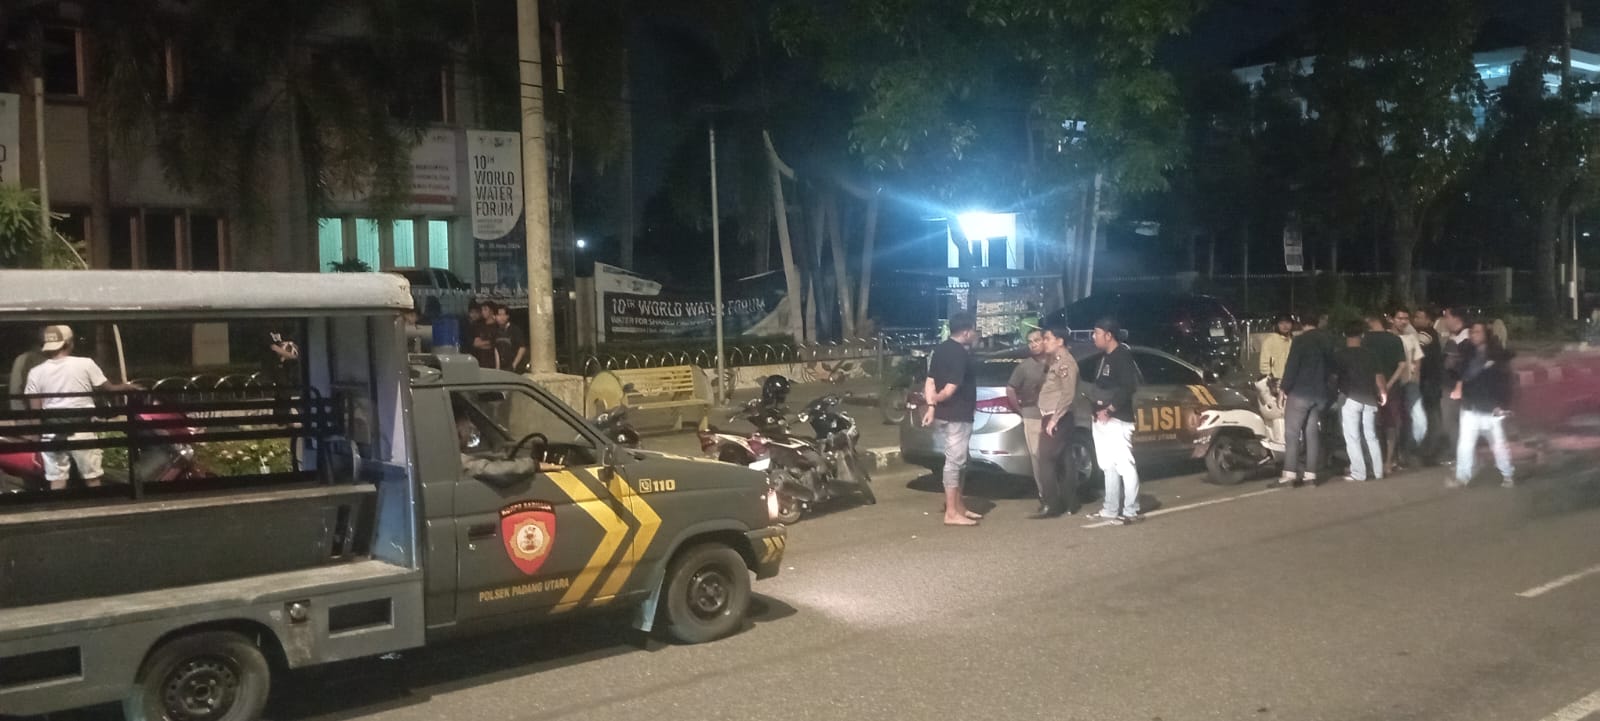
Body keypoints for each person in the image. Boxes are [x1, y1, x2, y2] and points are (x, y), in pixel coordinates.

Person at [23, 325, 141, 490]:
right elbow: (110, 389)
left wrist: (37, 439)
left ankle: (60, 505)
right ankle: (97, 505)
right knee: (92, 478)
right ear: (69, 343)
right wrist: (128, 387)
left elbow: (35, 409)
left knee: (57, 480)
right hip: (82, 430)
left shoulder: (36, 372)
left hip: (52, 433)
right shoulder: (85, 364)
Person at [922, 311, 981, 526]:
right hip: (958, 415)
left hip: (945, 415)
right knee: (954, 463)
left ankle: (959, 506)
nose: (975, 334)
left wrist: (931, 407)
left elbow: (930, 380)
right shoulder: (960, 354)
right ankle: (951, 512)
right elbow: (950, 388)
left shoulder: (940, 349)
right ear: (966, 332)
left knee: (961, 461)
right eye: (974, 330)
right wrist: (937, 399)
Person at [1087, 318, 1140, 524]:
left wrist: (1110, 410)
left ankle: (1130, 510)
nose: (1093, 337)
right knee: (1108, 465)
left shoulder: (1122, 356)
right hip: (1101, 420)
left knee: (1124, 465)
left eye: (1096, 333)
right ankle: (1110, 508)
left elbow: (1128, 387)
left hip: (1118, 419)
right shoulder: (1104, 358)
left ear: (1109, 335)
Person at [1450, 320, 1514, 488]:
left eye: (1478, 331)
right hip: (1470, 406)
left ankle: (1507, 473)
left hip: (1491, 408)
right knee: (1465, 444)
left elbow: (1504, 382)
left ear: (1486, 334)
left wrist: (1502, 405)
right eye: (1472, 331)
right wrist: (1458, 386)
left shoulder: (1496, 356)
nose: (1474, 335)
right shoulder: (1467, 354)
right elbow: (1459, 374)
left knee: (1498, 444)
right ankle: (1462, 476)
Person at [1276, 311, 1335, 488]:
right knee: (1312, 434)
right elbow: (1332, 367)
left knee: (1292, 433)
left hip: (1300, 392)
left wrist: (1283, 388)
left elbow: (1292, 366)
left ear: (1301, 323)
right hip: (1319, 393)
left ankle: (1289, 474)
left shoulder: (1300, 340)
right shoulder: (1327, 340)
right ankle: (1311, 476)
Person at [1035, 324, 1080, 517]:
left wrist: (1054, 420)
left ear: (1060, 341)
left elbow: (1068, 394)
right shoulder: (1055, 361)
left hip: (1057, 416)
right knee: (1064, 459)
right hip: (1054, 415)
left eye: (1048, 339)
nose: (1044, 342)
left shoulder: (1065, 363)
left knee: (1045, 458)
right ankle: (1069, 502)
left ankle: (1051, 504)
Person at [1005, 329, 1051, 514]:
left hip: (1053, 415)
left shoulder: (1055, 361)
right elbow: (1010, 389)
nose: (1033, 344)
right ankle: (1044, 495)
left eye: (1037, 340)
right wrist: (1020, 410)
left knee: (1054, 455)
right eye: (1030, 341)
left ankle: (1058, 492)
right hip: (1032, 415)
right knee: (1037, 456)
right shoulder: (1024, 367)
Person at [1334, 321, 1387, 482]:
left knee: (1353, 437)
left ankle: (1359, 473)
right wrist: (1383, 392)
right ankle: (1378, 471)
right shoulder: (1370, 354)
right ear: (1362, 335)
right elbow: (1379, 376)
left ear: (1344, 335)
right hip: (1370, 399)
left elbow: (1334, 377)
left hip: (1350, 398)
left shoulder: (1340, 355)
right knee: (1371, 436)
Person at [1363, 315, 1407, 474]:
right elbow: (1402, 365)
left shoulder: (1365, 340)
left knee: (1372, 426)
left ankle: (1374, 462)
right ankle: (1388, 461)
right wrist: (1389, 384)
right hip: (1392, 389)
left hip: (1370, 387)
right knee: (1391, 425)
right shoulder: (1395, 339)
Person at [1391, 308, 1428, 461]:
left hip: (1410, 383)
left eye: (1406, 318)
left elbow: (1418, 359)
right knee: (1395, 420)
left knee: (1419, 419)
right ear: (1392, 319)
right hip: (1393, 383)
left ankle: (1410, 449)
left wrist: (1414, 375)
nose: (1403, 321)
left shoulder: (1411, 337)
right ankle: (1397, 454)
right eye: (1399, 318)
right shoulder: (1388, 337)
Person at [1438, 307, 1472, 466]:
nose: (1444, 320)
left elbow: (1457, 365)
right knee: (1457, 422)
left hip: (1454, 387)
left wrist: (1458, 385)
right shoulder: (1457, 337)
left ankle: (1458, 455)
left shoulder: (1464, 340)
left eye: (1447, 317)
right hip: (1456, 386)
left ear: (1456, 318)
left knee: (1451, 422)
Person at [1413, 308, 1444, 463]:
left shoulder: (1426, 334)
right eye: (1415, 316)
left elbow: (1415, 347)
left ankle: (1430, 452)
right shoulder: (1431, 334)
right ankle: (1432, 450)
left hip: (1429, 381)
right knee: (1432, 414)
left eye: (1420, 317)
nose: (1416, 319)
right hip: (1433, 381)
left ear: (1429, 321)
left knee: (1431, 416)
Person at [1258, 313, 1296, 397]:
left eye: (1287, 323)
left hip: (1292, 381)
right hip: (1275, 381)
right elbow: (1264, 363)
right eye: (1281, 323)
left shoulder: (1293, 341)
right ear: (1276, 325)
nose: (1285, 326)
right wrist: (1270, 380)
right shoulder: (1270, 340)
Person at [494, 304, 530, 373]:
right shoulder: (496, 331)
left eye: (504, 315)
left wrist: (514, 365)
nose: (502, 317)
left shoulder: (515, 330)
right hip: (503, 368)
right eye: (499, 315)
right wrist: (497, 368)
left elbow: (522, 348)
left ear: (508, 316)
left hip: (516, 368)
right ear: (495, 316)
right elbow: (496, 349)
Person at [468, 301, 500, 369]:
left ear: (491, 311)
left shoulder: (497, 326)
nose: (483, 312)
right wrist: (489, 342)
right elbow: (476, 344)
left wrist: (484, 343)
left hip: (493, 362)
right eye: (482, 310)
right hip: (480, 361)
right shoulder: (479, 326)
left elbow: (495, 344)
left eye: (485, 309)